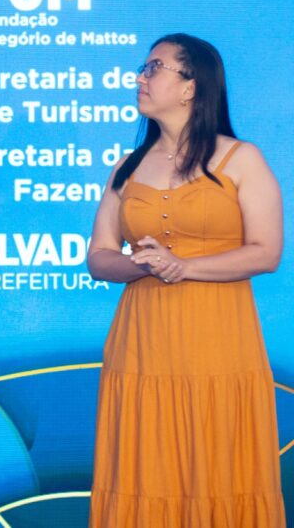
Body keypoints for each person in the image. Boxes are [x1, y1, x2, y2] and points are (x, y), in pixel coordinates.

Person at [87, 33, 285, 526]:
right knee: (145, 471)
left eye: (155, 68)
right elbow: (100, 257)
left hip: (218, 343)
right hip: (142, 346)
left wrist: (185, 267)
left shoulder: (241, 158)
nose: (140, 78)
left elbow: (267, 252)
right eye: (143, 68)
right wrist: (142, 265)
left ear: (191, 86)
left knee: (218, 468)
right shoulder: (127, 167)